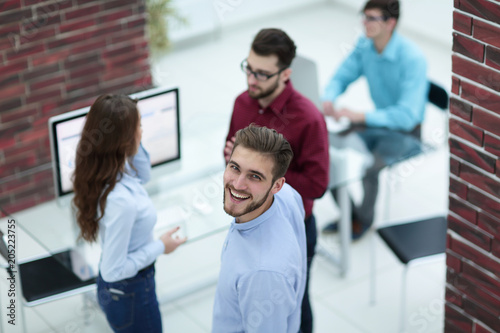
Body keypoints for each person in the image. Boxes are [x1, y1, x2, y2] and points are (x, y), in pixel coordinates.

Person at [224, 28, 329, 333]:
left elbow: (317, 184)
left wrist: (266, 175)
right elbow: (229, 155)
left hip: (292, 228)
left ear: (285, 74)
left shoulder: (308, 118)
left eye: (261, 74)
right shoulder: (242, 103)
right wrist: (234, 161)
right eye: (248, 68)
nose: (251, 79)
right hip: (247, 223)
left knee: (295, 305)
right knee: (245, 300)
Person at [72, 94, 186, 332]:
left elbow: (144, 175)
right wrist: (161, 247)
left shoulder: (111, 170)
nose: (142, 131)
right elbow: (114, 271)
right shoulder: (121, 201)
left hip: (126, 289)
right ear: (123, 140)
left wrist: (133, 142)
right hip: (131, 292)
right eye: (139, 127)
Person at [322, 0, 428, 239]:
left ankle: (362, 221)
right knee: (324, 150)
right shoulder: (365, 45)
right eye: (364, 16)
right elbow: (341, 76)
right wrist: (329, 98)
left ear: (390, 23)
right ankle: (350, 215)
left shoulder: (413, 59)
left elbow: (406, 116)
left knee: (370, 168)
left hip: (407, 131)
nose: (365, 23)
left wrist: (361, 116)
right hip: (377, 122)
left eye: (372, 18)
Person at [213, 124, 307, 333]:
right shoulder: (286, 195)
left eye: (254, 176)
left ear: (276, 185)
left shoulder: (262, 274)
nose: (237, 184)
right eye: (235, 167)